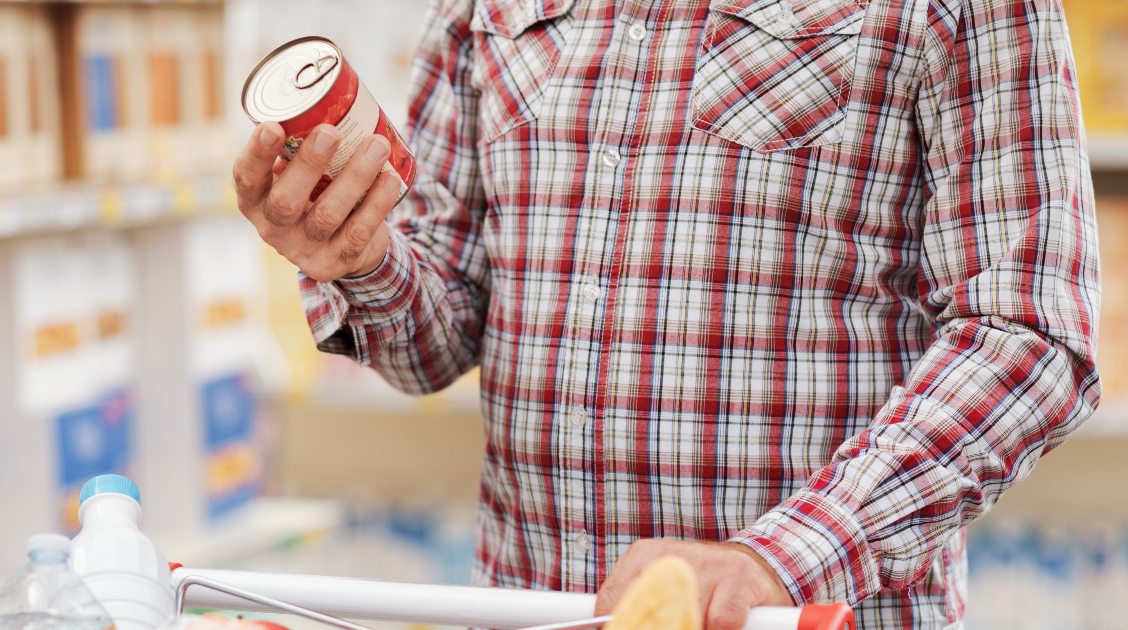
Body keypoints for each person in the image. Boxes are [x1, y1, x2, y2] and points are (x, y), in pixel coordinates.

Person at [230, 0, 1098, 627]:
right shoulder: (481, 11)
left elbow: (1031, 333)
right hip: (532, 608)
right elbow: (438, 339)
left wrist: (776, 560)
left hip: (807, 618)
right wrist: (359, 260)